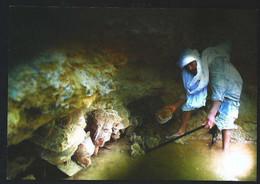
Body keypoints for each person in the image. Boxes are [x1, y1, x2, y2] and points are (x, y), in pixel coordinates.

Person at [165, 41, 243, 151]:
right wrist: (175, 105)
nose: (191, 68)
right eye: (187, 66)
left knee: (228, 113)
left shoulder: (215, 64)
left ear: (196, 59)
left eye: (192, 63)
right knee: (192, 101)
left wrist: (211, 115)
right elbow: (190, 92)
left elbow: (219, 92)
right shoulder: (197, 71)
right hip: (214, 83)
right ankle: (181, 131)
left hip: (232, 83)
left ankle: (225, 151)